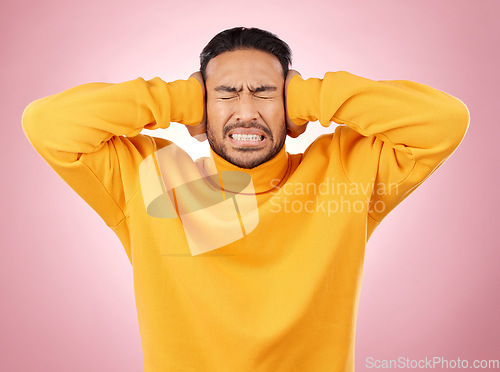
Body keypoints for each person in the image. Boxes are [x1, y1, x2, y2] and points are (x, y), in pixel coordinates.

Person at [22, 26, 470, 372]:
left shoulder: (343, 175)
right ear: (202, 104)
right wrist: (178, 98)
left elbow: (443, 121)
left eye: (265, 92)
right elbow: (48, 124)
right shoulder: (153, 179)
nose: (246, 111)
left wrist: (311, 94)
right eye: (225, 94)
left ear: (291, 105)